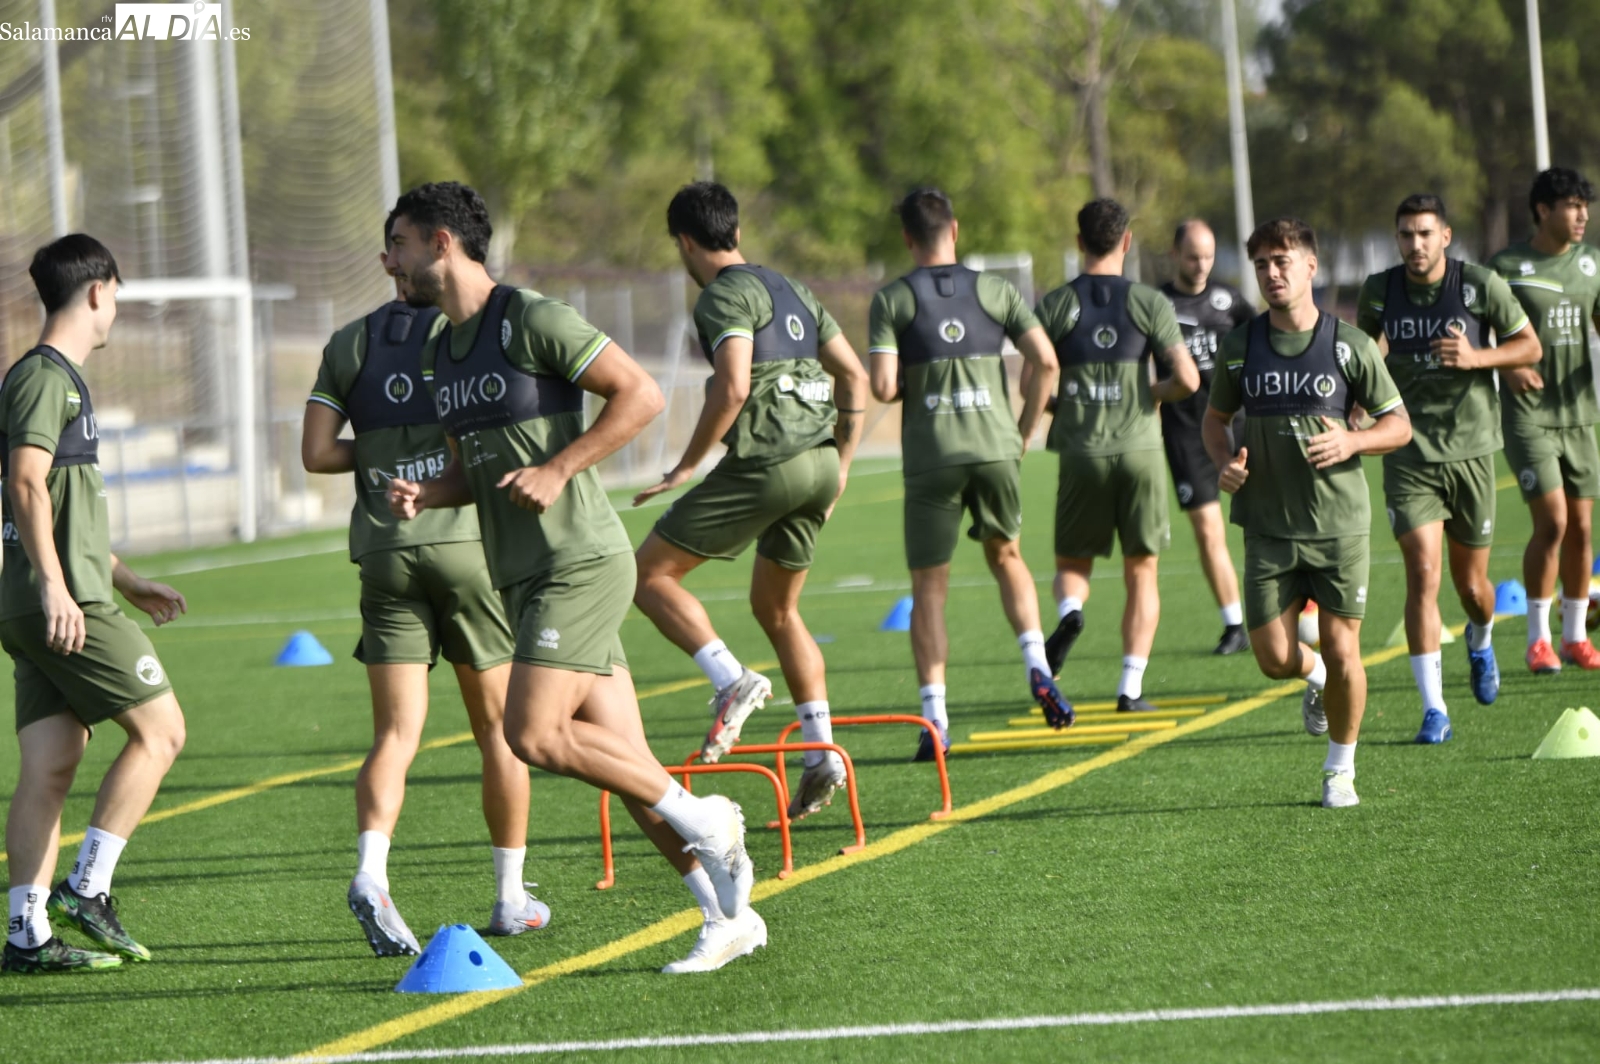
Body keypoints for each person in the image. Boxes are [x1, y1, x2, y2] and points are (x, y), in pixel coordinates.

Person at [383, 182, 759, 974]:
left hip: (579, 561)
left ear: (442, 242)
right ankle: (728, 916)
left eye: (402, 244)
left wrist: (561, 467)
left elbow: (643, 395)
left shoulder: (532, 318)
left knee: (533, 734)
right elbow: (474, 469)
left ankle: (707, 816)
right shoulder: (436, 348)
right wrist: (431, 490)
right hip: (523, 577)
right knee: (625, 762)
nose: (393, 262)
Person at [302, 214, 541, 956]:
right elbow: (471, 437)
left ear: (389, 265)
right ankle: (509, 897)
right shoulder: (459, 335)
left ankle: (372, 873)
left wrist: (378, 458)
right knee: (499, 734)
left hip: (383, 552)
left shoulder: (350, 342)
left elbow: (315, 454)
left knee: (395, 735)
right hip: (463, 546)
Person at [632, 181, 869, 815]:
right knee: (778, 610)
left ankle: (730, 679)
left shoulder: (720, 297)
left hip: (770, 460)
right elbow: (855, 375)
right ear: (732, 229)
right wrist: (841, 463)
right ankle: (820, 754)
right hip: (818, 462)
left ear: (685, 241)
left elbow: (733, 385)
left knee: (648, 574)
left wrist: (686, 466)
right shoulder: (792, 289)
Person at [1, 235, 189, 972]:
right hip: (59, 600)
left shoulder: (49, 379)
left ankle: (26, 934)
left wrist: (127, 579)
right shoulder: (48, 378)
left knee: (51, 764)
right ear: (99, 290)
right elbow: (23, 485)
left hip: (38, 599)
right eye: (119, 294)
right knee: (162, 732)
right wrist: (60, 585)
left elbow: (56, 509)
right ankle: (89, 887)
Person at [1204, 218, 1412, 808]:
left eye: (1283, 261)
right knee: (1272, 659)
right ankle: (1314, 677)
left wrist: (1353, 441)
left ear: (1311, 266)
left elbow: (1398, 425)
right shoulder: (1242, 346)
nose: (1272, 273)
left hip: (1339, 527)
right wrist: (1224, 466)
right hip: (1267, 525)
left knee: (1346, 648)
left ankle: (1340, 769)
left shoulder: (1350, 345)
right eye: (1262, 264)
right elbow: (1214, 421)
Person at [867, 187, 1073, 757]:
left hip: (932, 455)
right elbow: (1047, 362)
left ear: (908, 238)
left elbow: (883, 386)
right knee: (1008, 556)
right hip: (995, 447)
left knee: (929, 588)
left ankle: (935, 720)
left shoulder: (892, 299)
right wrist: (1024, 432)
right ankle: (1038, 665)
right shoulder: (997, 289)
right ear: (954, 230)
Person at [1357, 194, 1538, 741]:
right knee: (1423, 576)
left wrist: (1477, 357)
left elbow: (1528, 347)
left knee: (1472, 587)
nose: (1415, 245)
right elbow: (1362, 355)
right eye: (1406, 235)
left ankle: (1480, 640)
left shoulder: (1480, 285)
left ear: (1446, 236)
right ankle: (1434, 708)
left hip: (1472, 454)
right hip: (1409, 455)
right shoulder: (1380, 290)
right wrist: (1357, 406)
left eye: (1425, 234)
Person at [1035, 199, 1199, 712]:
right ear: (1126, 242)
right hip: (1140, 451)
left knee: (1072, 561)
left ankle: (1070, 611)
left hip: (1081, 449)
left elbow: (1035, 383)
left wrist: (1062, 406)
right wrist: (1151, 394)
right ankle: (1129, 688)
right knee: (1141, 570)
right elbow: (1188, 381)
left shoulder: (1055, 304)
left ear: (1079, 242)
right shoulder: (1150, 302)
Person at [1487, 168, 1600, 674]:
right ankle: (1538, 640)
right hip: (1529, 416)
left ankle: (1575, 637)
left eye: (1585, 206)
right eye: (1572, 205)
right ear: (1542, 210)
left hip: (1580, 415)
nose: (1582, 215)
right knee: (1552, 521)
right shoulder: (1506, 266)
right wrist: (1507, 364)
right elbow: (1476, 330)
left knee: (1580, 527)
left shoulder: (1592, 264)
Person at [1160, 220, 1253, 655]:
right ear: (1175, 254)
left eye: (1209, 256)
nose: (1201, 265)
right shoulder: (1157, 304)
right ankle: (1234, 624)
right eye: (1193, 256)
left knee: (1268, 520)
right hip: (1184, 434)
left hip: (1237, 426)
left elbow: (1265, 342)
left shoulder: (1230, 302)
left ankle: (1297, 606)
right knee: (1208, 531)